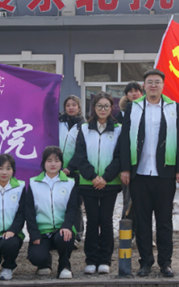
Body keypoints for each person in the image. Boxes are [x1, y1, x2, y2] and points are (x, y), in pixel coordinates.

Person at [120, 69, 179, 278]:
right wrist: (125, 168)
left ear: (163, 86)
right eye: (150, 82)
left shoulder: (173, 107)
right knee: (142, 221)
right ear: (144, 86)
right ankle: (145, 261)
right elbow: (125, 139)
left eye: (157, 82)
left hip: (165, 173)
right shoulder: (134, 107)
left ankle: (165, 262)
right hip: (139, 172)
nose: (154, 85)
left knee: (164, 221)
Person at [70, 91, 123, 275]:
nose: (103, 109)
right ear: (94, 108)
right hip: (88, 183)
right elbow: (80, 156)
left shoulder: (118, 129)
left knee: (106, 221)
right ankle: (91, 260)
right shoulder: (84, 129)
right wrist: (93, 177)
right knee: (92, 221)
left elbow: (119, 157)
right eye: (99, 106)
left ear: (111, 108)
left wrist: (105, 178)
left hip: (110, 183)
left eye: (106, 106)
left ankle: (105, 260)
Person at [26, 146, 80, 279]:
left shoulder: (70, 183)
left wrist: (67, 225)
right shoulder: (34, 183)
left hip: (61, 229)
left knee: (65, 237)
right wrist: (34, 233)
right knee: (36, 257)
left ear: (61, 163)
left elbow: (73, 208)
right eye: (49, 160)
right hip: (42, 230)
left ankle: (64, 265)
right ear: (43, 162)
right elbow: (29, 211)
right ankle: (44, 263)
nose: (53, 164)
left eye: (56, 160)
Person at [59, 95, 85, 241]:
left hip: (74, 171)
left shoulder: (83, 125)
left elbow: (82, 150)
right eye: (68, 105)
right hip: (56, 170)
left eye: (73, 105)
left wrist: (70, 167)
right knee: (59, 203)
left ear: (79, 107)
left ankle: (77, 234)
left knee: (75, 203)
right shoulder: (58, 122)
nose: (70, 107)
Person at [118, 81, 142, 226]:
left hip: (143, 162)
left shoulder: (147, 109)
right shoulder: (121, 113)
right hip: (128, 162)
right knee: (128, 199)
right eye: (130, 91)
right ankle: (127, 230)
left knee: (142, 201)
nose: (134, 94)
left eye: (136, 91)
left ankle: (141, 230)